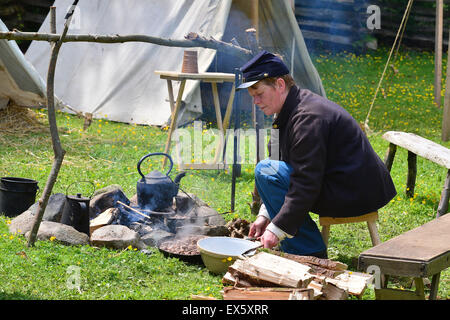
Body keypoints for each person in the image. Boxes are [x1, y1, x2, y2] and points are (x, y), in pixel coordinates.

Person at [239, 50, 397, 258]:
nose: (256, 101)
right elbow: (278, 162)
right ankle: (302, 245)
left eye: (259, 94)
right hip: (335, 183)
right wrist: (266, 215)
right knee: (269, 167)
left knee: (266, 170)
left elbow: (305, 182)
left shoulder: (309, 117)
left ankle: (308, 253)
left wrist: (276, 229)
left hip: (354, 192)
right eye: (253, 97)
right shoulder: (285, 114)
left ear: (279, 84)